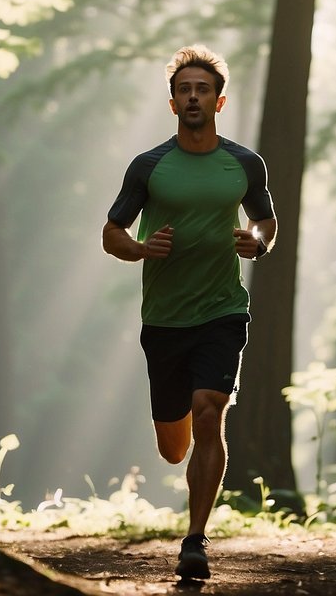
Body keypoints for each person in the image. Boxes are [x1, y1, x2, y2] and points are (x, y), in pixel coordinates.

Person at [102, 45, 276, 580]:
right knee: (174, 446)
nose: (194, 96)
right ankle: (181, 471)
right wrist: (140, 249)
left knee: (209, 409)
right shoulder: (149, 166)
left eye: (203, 89)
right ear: (173, 101)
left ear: (219, 101)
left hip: (223, 310)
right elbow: (112, 234)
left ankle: (195, 540)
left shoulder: (244, 162)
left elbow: (266, 221)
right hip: (164, 318)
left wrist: (258, 242)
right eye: (185, 89)